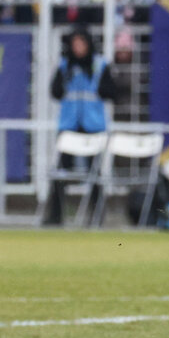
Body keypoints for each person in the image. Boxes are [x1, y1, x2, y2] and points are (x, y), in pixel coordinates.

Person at [43, 26, 117, 226]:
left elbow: (112, 91)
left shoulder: (99, 65)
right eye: (75, 44)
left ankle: (97, 216)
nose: (78, 47)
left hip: (93, 125)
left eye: (81, 43)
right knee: (60, 172)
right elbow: (55, 92)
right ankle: (55, 216)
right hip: (69, 125)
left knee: (94, 173)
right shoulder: (65, 66)